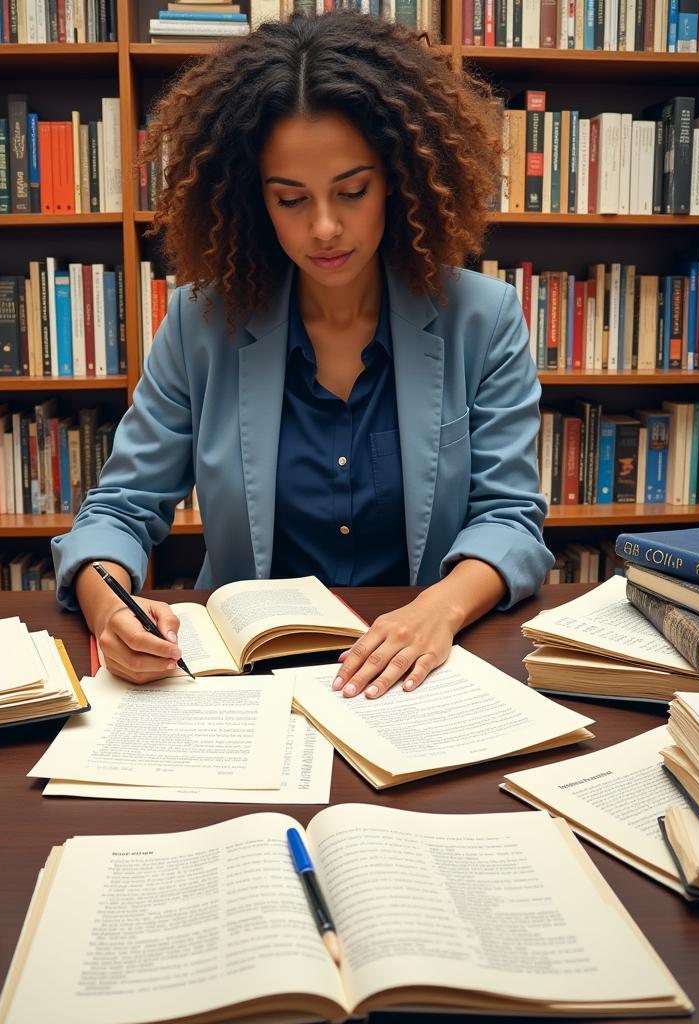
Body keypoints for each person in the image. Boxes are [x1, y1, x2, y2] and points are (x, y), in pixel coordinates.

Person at [52, 10, 553, 700]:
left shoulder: (483, 318)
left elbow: (510, 518)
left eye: (352, 191)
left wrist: (436, 610)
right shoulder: (201, 323)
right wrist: (112, 610)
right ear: (254, 200)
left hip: (416, 667)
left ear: (400, 180)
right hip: (244, 675)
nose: (324, 228)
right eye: (291, 199)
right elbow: (120, 507)